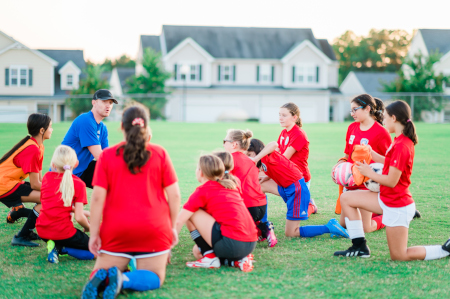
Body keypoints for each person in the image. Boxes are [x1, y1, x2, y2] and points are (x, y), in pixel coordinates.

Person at [81, 104, 180, 298]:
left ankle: (107, 279)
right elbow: (175, 195)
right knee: (155, 277)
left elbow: (97, 198)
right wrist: (172, 227)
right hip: (153, 229)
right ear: (147, 126)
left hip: (117, 230)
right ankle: (124, 280)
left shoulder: (107, 156)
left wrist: (94, 235)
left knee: (98, 272)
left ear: (121, 126)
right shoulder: (159, 153)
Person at [334, 100, 450, 260]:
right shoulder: (398, 140)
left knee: (399, 255)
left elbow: (391, 181)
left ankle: (445, 249)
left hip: (397, 205)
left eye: (386, 117)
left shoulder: (402, 145)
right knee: (346, 198)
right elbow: (387, 162)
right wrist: (371, 153)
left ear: (394, 118)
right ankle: (359, 246)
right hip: (386, 199)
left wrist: (368, 172)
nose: (383, 121)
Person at [248, 139, 348, 238]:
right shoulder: (264, 162)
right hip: (287, 187)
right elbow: (276, 169)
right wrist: (267, 177)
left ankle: (329, 227)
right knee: (259, 185)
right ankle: (263, 225)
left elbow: (274, 144)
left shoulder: (267, 155)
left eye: (249, 155)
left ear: (258, 150)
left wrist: (255, 158)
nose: (248, 158)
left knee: (291, 233)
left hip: (296, 189)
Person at [176, 154, 257, 272]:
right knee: (197, 251)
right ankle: (236, 260)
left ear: (201, 172)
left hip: (233, 243)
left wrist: (166, 248)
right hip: (250, 243)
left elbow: (179, 220)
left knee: (191, 212)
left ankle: (210, 258)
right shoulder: (230, 186)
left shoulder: (203, 191)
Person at [332, 94, 392, 233]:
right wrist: (338, 167)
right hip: (352, 183)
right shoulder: (352, 128)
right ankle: (375, 210)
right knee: (344, 224)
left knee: (366, 227)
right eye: (351, 110)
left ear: (367, 109)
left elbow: (390, 162)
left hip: (368, 185)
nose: (352, 114)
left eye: (355, 109)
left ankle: (389, 215)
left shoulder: (381, 132)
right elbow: (347, 156)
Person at [0, 113, 52, 247]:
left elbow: (39, 180)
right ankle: (21, 237)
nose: (52, 130)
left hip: (10, 182)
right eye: (50, 127)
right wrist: (55, 190)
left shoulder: (39, 146)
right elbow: (35, 184)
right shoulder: (33, 149)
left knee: (47, 197)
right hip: (4, 185)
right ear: (42, 130)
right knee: (46, 198)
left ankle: (20, 214)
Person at [36, 145, 93, 263]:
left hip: (42, 231)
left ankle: (55, 245)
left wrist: (82, 212)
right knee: (99, 251)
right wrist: (89, 228)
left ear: (53, 164)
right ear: (76, 163)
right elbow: (79, 217)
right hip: (63, 233)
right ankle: (62, 248)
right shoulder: (79, 184)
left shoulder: (46, 177)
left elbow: (53, 204)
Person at [223, 129, 277, 247]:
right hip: (261, 205)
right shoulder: (251, 160)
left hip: (247, 206)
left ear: (234, 144)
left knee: (225, 227)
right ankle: (263, 227)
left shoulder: (230, 159)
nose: (223, 144)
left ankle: (256, 230)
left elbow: (224, 182)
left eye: (225, 141)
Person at [61, 89, 117, 188]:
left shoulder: (103, 128)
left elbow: (106, 155)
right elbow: (100, 156)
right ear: (94, 102)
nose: (108, 105)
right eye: (104, 101)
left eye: (110, 102)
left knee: (114, 178)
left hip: (82, 169)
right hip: (65, 174)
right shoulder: (86, 120)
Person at [276, 102, 317, 214]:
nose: (280, 118)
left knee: (299, 213)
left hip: (300, 178)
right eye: (279, 115)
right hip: (287, 176)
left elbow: (283, 159)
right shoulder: (283, 132)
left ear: (295, 117)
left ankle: (311, 205)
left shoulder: (299, 134)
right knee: (261, 183)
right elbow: (276, 153)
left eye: (284, 115)